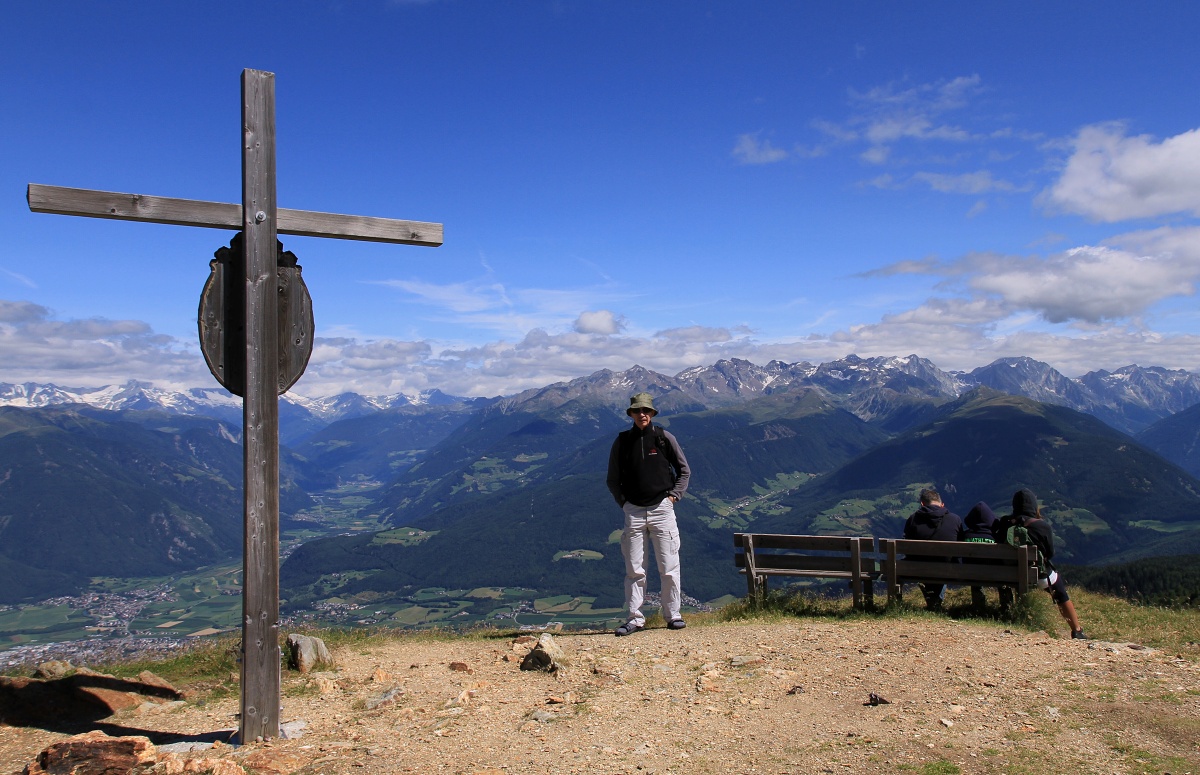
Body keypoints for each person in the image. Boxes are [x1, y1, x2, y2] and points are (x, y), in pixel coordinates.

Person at [606, 392, 691, 636]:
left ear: (652, 413)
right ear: (631, 414)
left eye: (646, 411)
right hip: (633, 510)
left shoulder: (664, 438)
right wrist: (624, 503)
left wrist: (674, 496)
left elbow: (684, 470)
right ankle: (634, 618)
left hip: (662, 509)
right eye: (637, 411)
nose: (642, 414)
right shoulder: (622, 442)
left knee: (669, 566)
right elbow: (613, 479)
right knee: (634, 568)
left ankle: (673, 615)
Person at [995, 488, 1086, 639]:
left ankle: (1008, 612)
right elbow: (1050, 553)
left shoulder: (1004, 523)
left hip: (1008, 574)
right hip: (1039, 577)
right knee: (1060, 592)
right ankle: (1077, 630)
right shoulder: (1042, 526)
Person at [902, 488, 963, 610]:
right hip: (948, 568)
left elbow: (906, 547)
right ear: (942, 504)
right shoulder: (955, 519)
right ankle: (935, 604)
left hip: (917, 568)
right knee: (944, 561)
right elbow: (961, 545)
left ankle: (933, 604)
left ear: (922, 504)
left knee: (923, 561)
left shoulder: (913, 519)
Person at [960, 501, 1013, 610]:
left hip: (970, 574)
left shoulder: (965, 536)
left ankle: (978, 606)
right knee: (1003, 577)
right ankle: (1007, 607)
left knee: (974, 572)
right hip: (997, 575)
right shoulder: (996, 537)